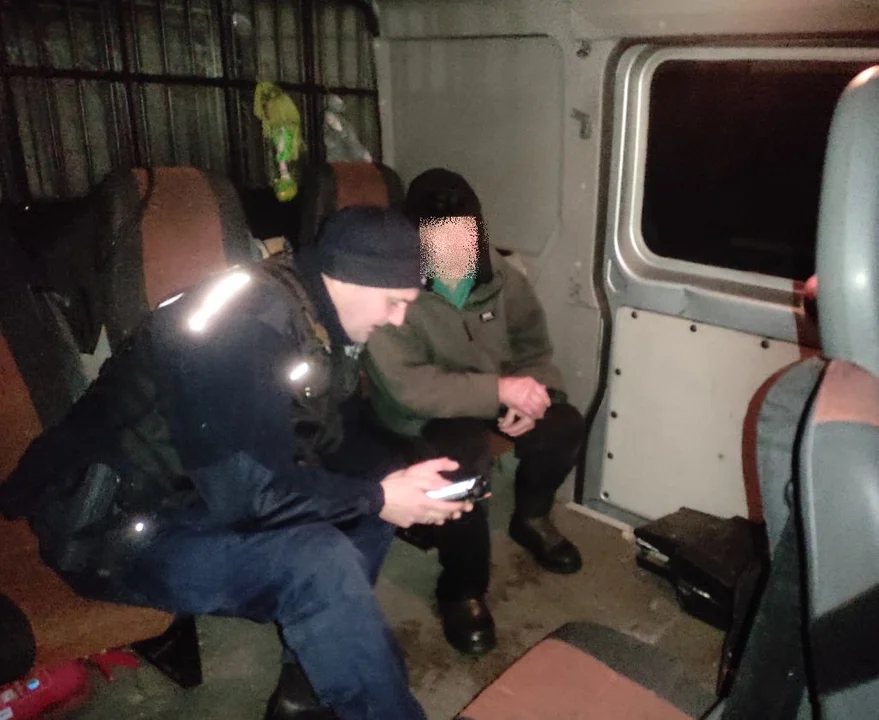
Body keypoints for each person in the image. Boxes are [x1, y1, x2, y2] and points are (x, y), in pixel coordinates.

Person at [0, 206, 472, 720]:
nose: (399, 319)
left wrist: (407, 476)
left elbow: (331, 432)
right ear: (350, 276)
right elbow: (250, 497)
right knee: (319, 563)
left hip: (195, 493)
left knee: (373, 490)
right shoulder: (242, 331)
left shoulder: (311, 312)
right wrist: (379, 498)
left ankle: (307, 688)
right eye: (394, 301)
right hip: (118, 530)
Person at [364, 169, 584, 656]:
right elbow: (409, 388)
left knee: (564, 424)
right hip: (421, 412)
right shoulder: (394, 288)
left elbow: (533, 347)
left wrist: (536, 395)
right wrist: (498, 390)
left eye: (463, 234)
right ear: (416, 238)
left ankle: (532, 518)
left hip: (490, 389)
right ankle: (462, 587)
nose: (453, 249)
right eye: (437, 237)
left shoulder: (501, 277)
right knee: (460, 462)